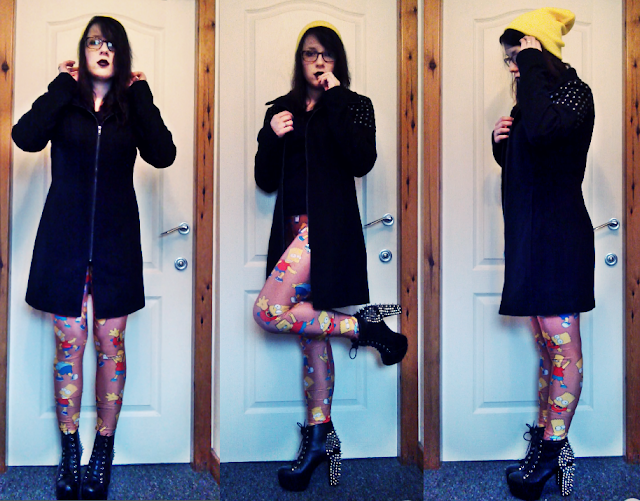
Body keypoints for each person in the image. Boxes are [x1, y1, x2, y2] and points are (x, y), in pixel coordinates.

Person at [12, 16, 176, 500]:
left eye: (111, 44)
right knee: (69, 344)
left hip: (115, 243)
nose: (102, 49)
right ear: (82, 52)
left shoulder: (131, 107)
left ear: (121, 54)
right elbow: (25, 136)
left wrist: (141, 95)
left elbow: (163, 154)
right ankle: (70, 451)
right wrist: (61, 86)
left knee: (110, 343)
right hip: (63, 242)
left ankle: (103, 449)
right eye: (93, 42)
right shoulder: (65, 102)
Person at [253, 20, 408, 492]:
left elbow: (362, 161)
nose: (318, 61)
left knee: (267, 312)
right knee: (311, 334)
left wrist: (336, 96)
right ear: (299, 61)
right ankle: (320, 438)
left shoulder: (354, 105)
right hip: (290, 232)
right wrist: (270, 135)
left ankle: (366, 329)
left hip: (326, 231)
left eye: (327, 54)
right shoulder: (282, 109)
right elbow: (265, 180)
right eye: (310, 53)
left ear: (337, 61)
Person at [491, 8, 594, 500]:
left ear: (541, 51)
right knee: (547, 347)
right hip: (530, 239)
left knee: (563, 347)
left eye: (519, 56)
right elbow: (532, 161)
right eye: (510, 60)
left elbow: (547, 135)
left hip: (559, 237)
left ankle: (552, 452)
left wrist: (532, 64)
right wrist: (502, 147)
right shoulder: (531, 104)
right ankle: (547, 441)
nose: (513, 67)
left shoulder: (574, 92)